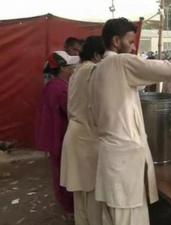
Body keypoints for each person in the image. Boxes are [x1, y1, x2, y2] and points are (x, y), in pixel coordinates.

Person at [88, 17, 171, 225]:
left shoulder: (98, 69)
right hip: (123, 156)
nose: (134, 48)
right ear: (116, 42)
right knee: (128, 216)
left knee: (115, 216)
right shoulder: (119, 62)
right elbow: (166, 69)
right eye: (131, 42)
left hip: (112, 154)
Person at [60, 36, 105, 225]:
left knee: (81, 199)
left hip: (75, 136)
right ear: (96, 55)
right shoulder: (93, 71)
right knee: (94, 198)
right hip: (87, 140)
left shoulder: (77, 71)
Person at [35, 51, 80, 216]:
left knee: (60, 172)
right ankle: (69, 209)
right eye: (71, 66)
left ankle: (67, 207)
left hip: (54, 137)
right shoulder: (59, 88)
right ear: (63, 68)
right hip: (59, 137)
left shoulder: (53, 85)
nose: (74, 69)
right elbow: (73, 111)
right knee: (65, 174)